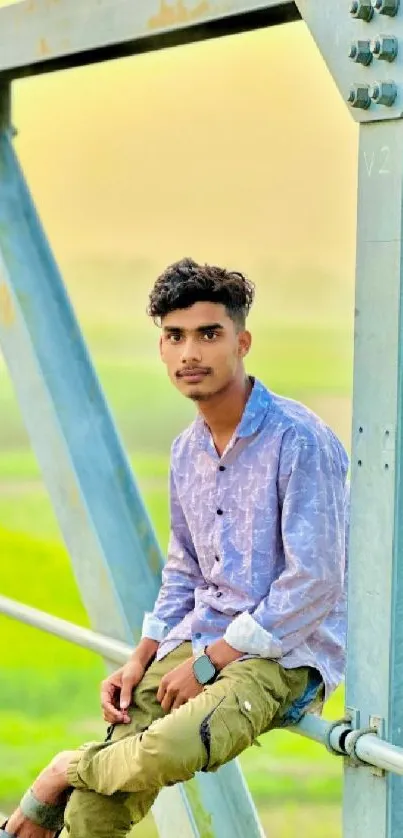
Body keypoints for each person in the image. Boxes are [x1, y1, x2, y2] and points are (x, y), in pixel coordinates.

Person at [3, 258, 349, 838]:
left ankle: (62, 769)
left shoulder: (300, 440)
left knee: (166, 749)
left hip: (284, 655)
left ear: (241, 342)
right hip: (197, 638)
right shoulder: (185, 451)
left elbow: (313, 583)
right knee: (94, 811)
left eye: (208, 334)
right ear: (162, 349)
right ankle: (74, 781)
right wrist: (142, 654)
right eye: (175, 336)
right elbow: (184, 569)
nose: (191, 352)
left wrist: (212, 660)